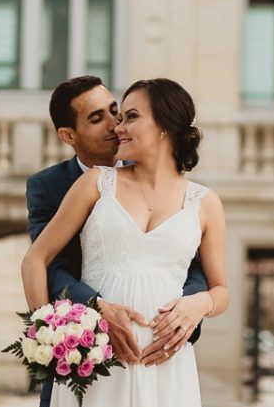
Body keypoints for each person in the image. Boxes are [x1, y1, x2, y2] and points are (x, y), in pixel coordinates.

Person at [22, 77, 228, 407]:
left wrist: (198, 304)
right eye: (97, 117)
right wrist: (51, 338)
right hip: (96, 353)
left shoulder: (204, 201)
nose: (117, 126)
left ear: (163, 126)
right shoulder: (91, 184)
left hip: (164, 360)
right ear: (68, 135)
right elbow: (41, 262)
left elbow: (213, 282)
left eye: (124, 114)